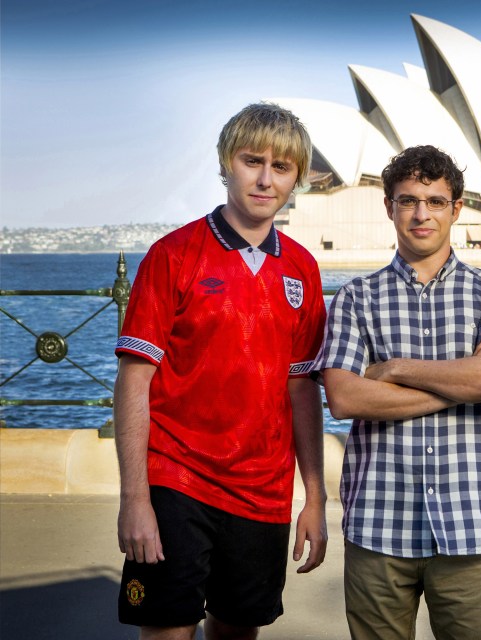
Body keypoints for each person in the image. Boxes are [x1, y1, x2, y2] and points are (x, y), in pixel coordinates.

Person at [114, 102, 328, 640]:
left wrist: (315, 497)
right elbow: (134, 379)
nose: (264, 179)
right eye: (251, 161)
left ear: (297, 177)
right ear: (225, 164)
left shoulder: (301, 266)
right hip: (176, 477)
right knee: (167, 626)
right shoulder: (173, 254)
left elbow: (301, 388)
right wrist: (135, 500)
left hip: (264, 488)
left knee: (237, 628)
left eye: (281, 168)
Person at [316, 145, 481, 640]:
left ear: (456, 209)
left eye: (435, 201)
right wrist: (465, 381)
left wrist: (393, 369)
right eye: (408, 200)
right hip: (378, 523)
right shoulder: (355, 298)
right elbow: (346, 399)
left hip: (469, 528)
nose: (421, 214)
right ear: (388, 207)